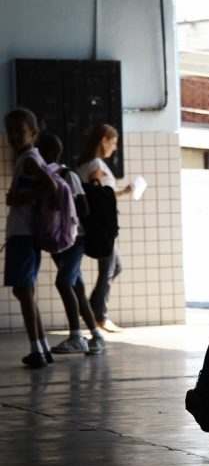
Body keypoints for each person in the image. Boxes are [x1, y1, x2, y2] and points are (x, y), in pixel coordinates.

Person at [37, 133, 106, 355]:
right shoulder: (45, 175)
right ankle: (96, 336)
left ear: (48, 152)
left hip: (75, 239)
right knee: (76, 287)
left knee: (63, 282)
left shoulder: (67, 175)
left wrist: (66, 213)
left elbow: (83, 207)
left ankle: (76, 336)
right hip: (58, 240)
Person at [4, 109, 58, 368]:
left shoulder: (28, 158)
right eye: (9, 131)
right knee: (25, 291)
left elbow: (51, 186)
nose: (13, 136)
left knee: (23, 291)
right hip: (26, 235)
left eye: (19, 131)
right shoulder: (28, 158)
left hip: (23, 235)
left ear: (33, 133)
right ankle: (42, 346)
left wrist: (21, 198)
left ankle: (37, 349)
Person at [77, 124, 131, 333]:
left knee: (114, 266)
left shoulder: (86, 163)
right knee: (108, 269)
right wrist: (124, 192)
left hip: (96, 224)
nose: (115, 148)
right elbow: (97, 194)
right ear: (104, 141)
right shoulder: (96, 165)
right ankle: (98, 315)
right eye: (114, 142)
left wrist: (122, 192)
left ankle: (92, 309)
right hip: (100, 226)